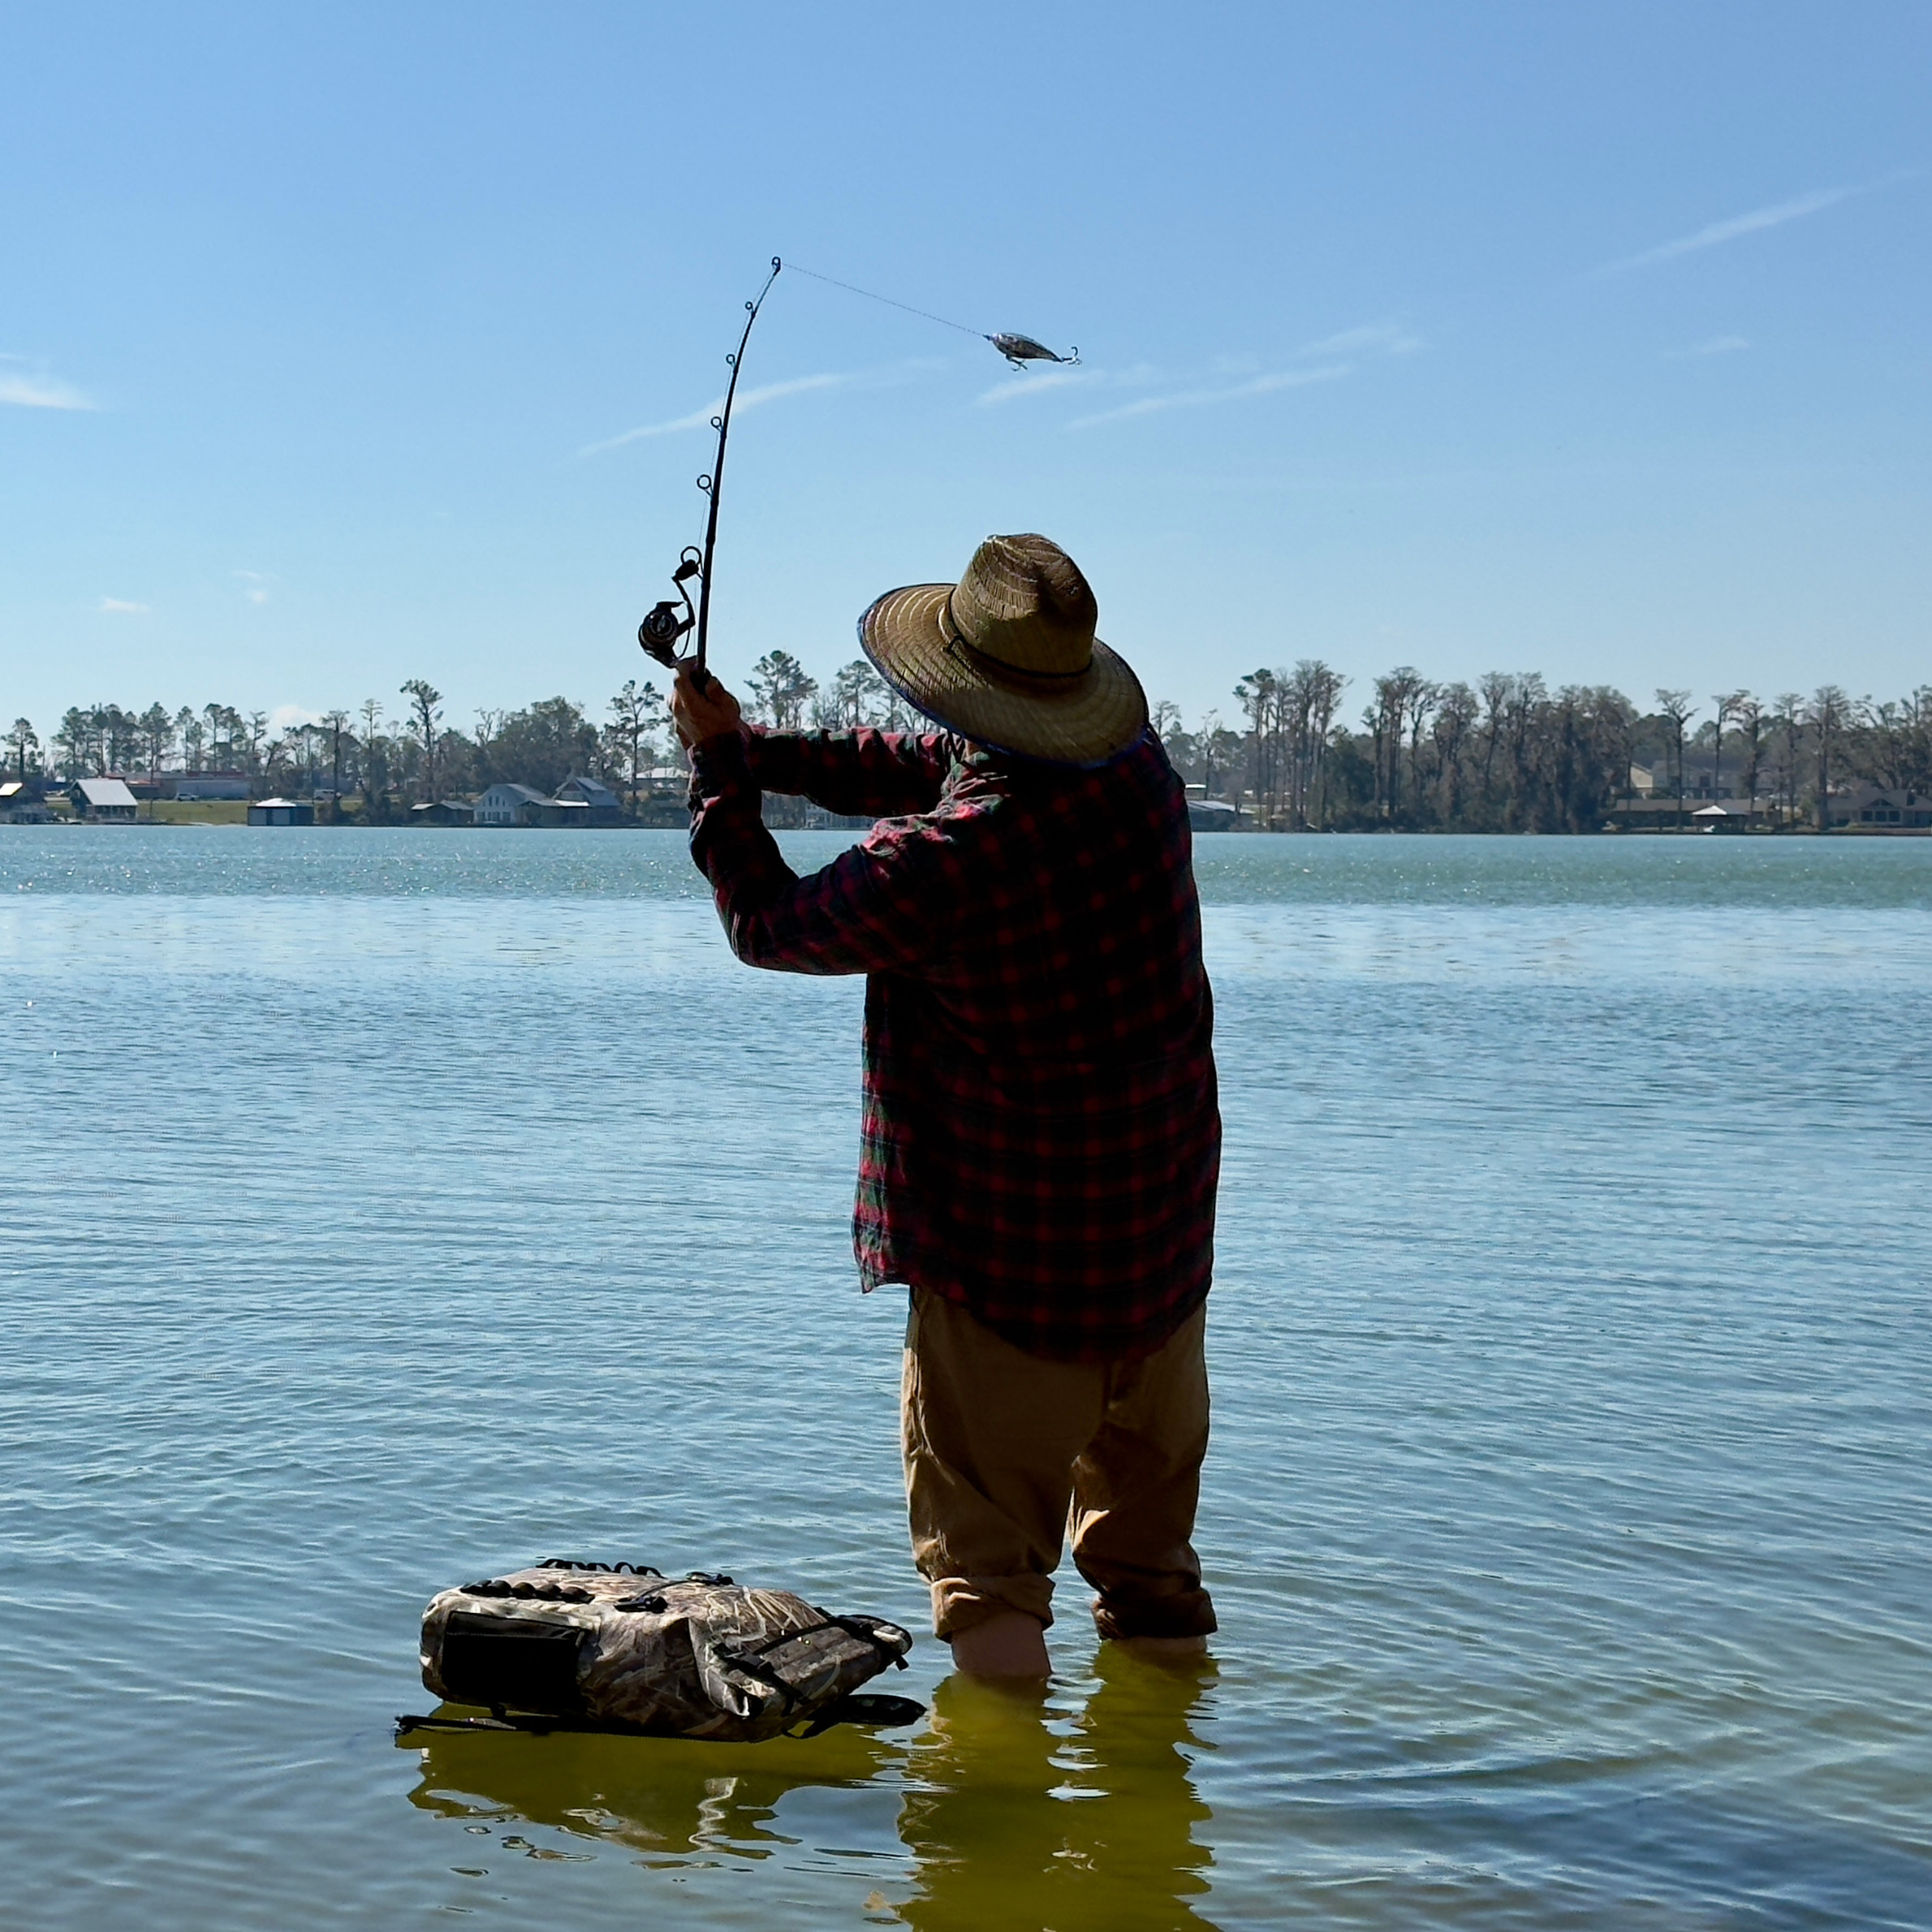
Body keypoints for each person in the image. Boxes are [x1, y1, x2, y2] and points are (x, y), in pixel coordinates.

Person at [671, 533, 1220, 1680]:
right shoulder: (1138, 773)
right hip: (1159, 1260)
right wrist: (758, 749)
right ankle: (1164, 1815)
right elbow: (938, 764)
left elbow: (768, 925)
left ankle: (995, 1833)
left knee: (989, 1585)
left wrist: (721, 778)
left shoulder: (939, 866)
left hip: (1010, 1274)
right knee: (1151, 1571)